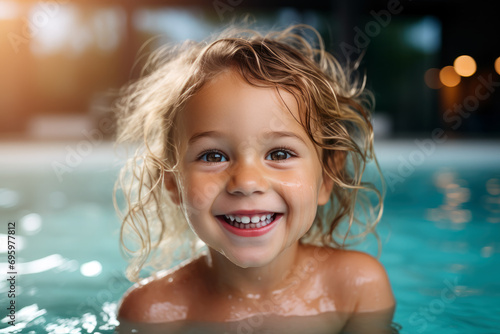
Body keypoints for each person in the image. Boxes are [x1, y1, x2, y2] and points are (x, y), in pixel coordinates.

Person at [114, 24, 396, 334]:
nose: (247, 182)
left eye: (279, 154)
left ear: (327, 177)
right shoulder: (155, 312)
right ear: (172, 183)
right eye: (213, 156)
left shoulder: (355, 288)